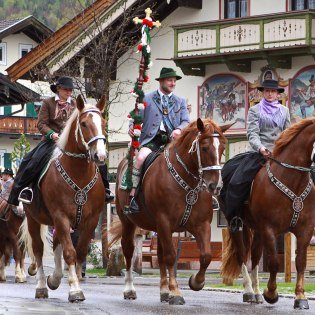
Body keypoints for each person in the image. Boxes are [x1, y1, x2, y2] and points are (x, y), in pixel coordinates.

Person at [8, 76, 114, 207]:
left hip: (72, 142)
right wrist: (52, 134)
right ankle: (24, 191)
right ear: (58, 89)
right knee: (31, 160)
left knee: (99, 159)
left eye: (70, 90)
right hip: (51, 141)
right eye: (66, 89)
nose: (68, 92)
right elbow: (41, 124)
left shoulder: (76, 105)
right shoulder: (48, 103)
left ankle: (106, 189)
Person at [219, 79, 291, 233]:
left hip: (280, 154)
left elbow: (287, 133)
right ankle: (236, 217)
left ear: (278, 94)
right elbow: (252, 133)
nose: (270, 94)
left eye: (273, 91)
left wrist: (283, 150)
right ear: (262, 92)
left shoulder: (284, 111)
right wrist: (261, 148)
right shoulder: (255, 110)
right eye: (267, 91)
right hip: (260, 153)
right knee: (237, 182)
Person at [126, 67, 190, 213]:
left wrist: (179, 129)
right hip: (152, 139)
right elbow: (136, 117)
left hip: (173, 141)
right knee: (141, 158)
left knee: (192, 158)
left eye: (174, 81)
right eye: (170, 80)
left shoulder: (180, 101)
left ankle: (201, 194)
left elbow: (186, 121)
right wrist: (132, 126)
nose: (173, 83)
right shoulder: (146, 98)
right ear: (161, 81)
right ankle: (133, 195)